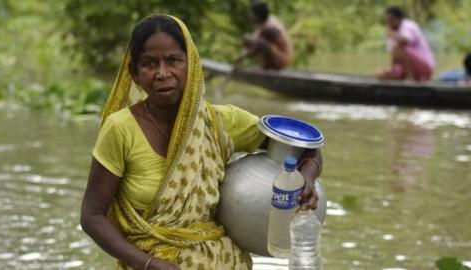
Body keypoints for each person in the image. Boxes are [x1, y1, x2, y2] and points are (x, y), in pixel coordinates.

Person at [80, 15, 322, 270]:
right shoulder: (120, 129)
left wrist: (306, 177)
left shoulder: (220, 122)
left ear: (191, 65)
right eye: (150, 63)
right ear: (135, 74)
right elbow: (92, 216)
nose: (163, 73)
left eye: (173, 60)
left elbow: (308, 146)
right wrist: (149, 264)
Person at [376, 6, 435, 81]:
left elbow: (404, 41)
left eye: (390, 20)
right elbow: (395, 56)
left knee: (398, 47)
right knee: (380, 75)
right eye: (387, 20)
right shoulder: (394, 32)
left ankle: (410, 79)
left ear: (398, 19)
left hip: (425, 67)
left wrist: (391, 34)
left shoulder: (408, 25)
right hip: (408, 67)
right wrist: (394, 71)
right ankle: (404, 76)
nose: (388, 23)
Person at [243, 1, 293, 69]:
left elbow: (257, 46)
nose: (249, 16)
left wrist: (242, 57)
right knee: (248, 39)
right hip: (273, 56)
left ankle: (267, 66)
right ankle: (266, 65)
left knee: (259, 43)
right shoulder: (262, 23)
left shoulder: (270, 27)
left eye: (251, 13)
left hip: (281, 59)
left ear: (257, 15)